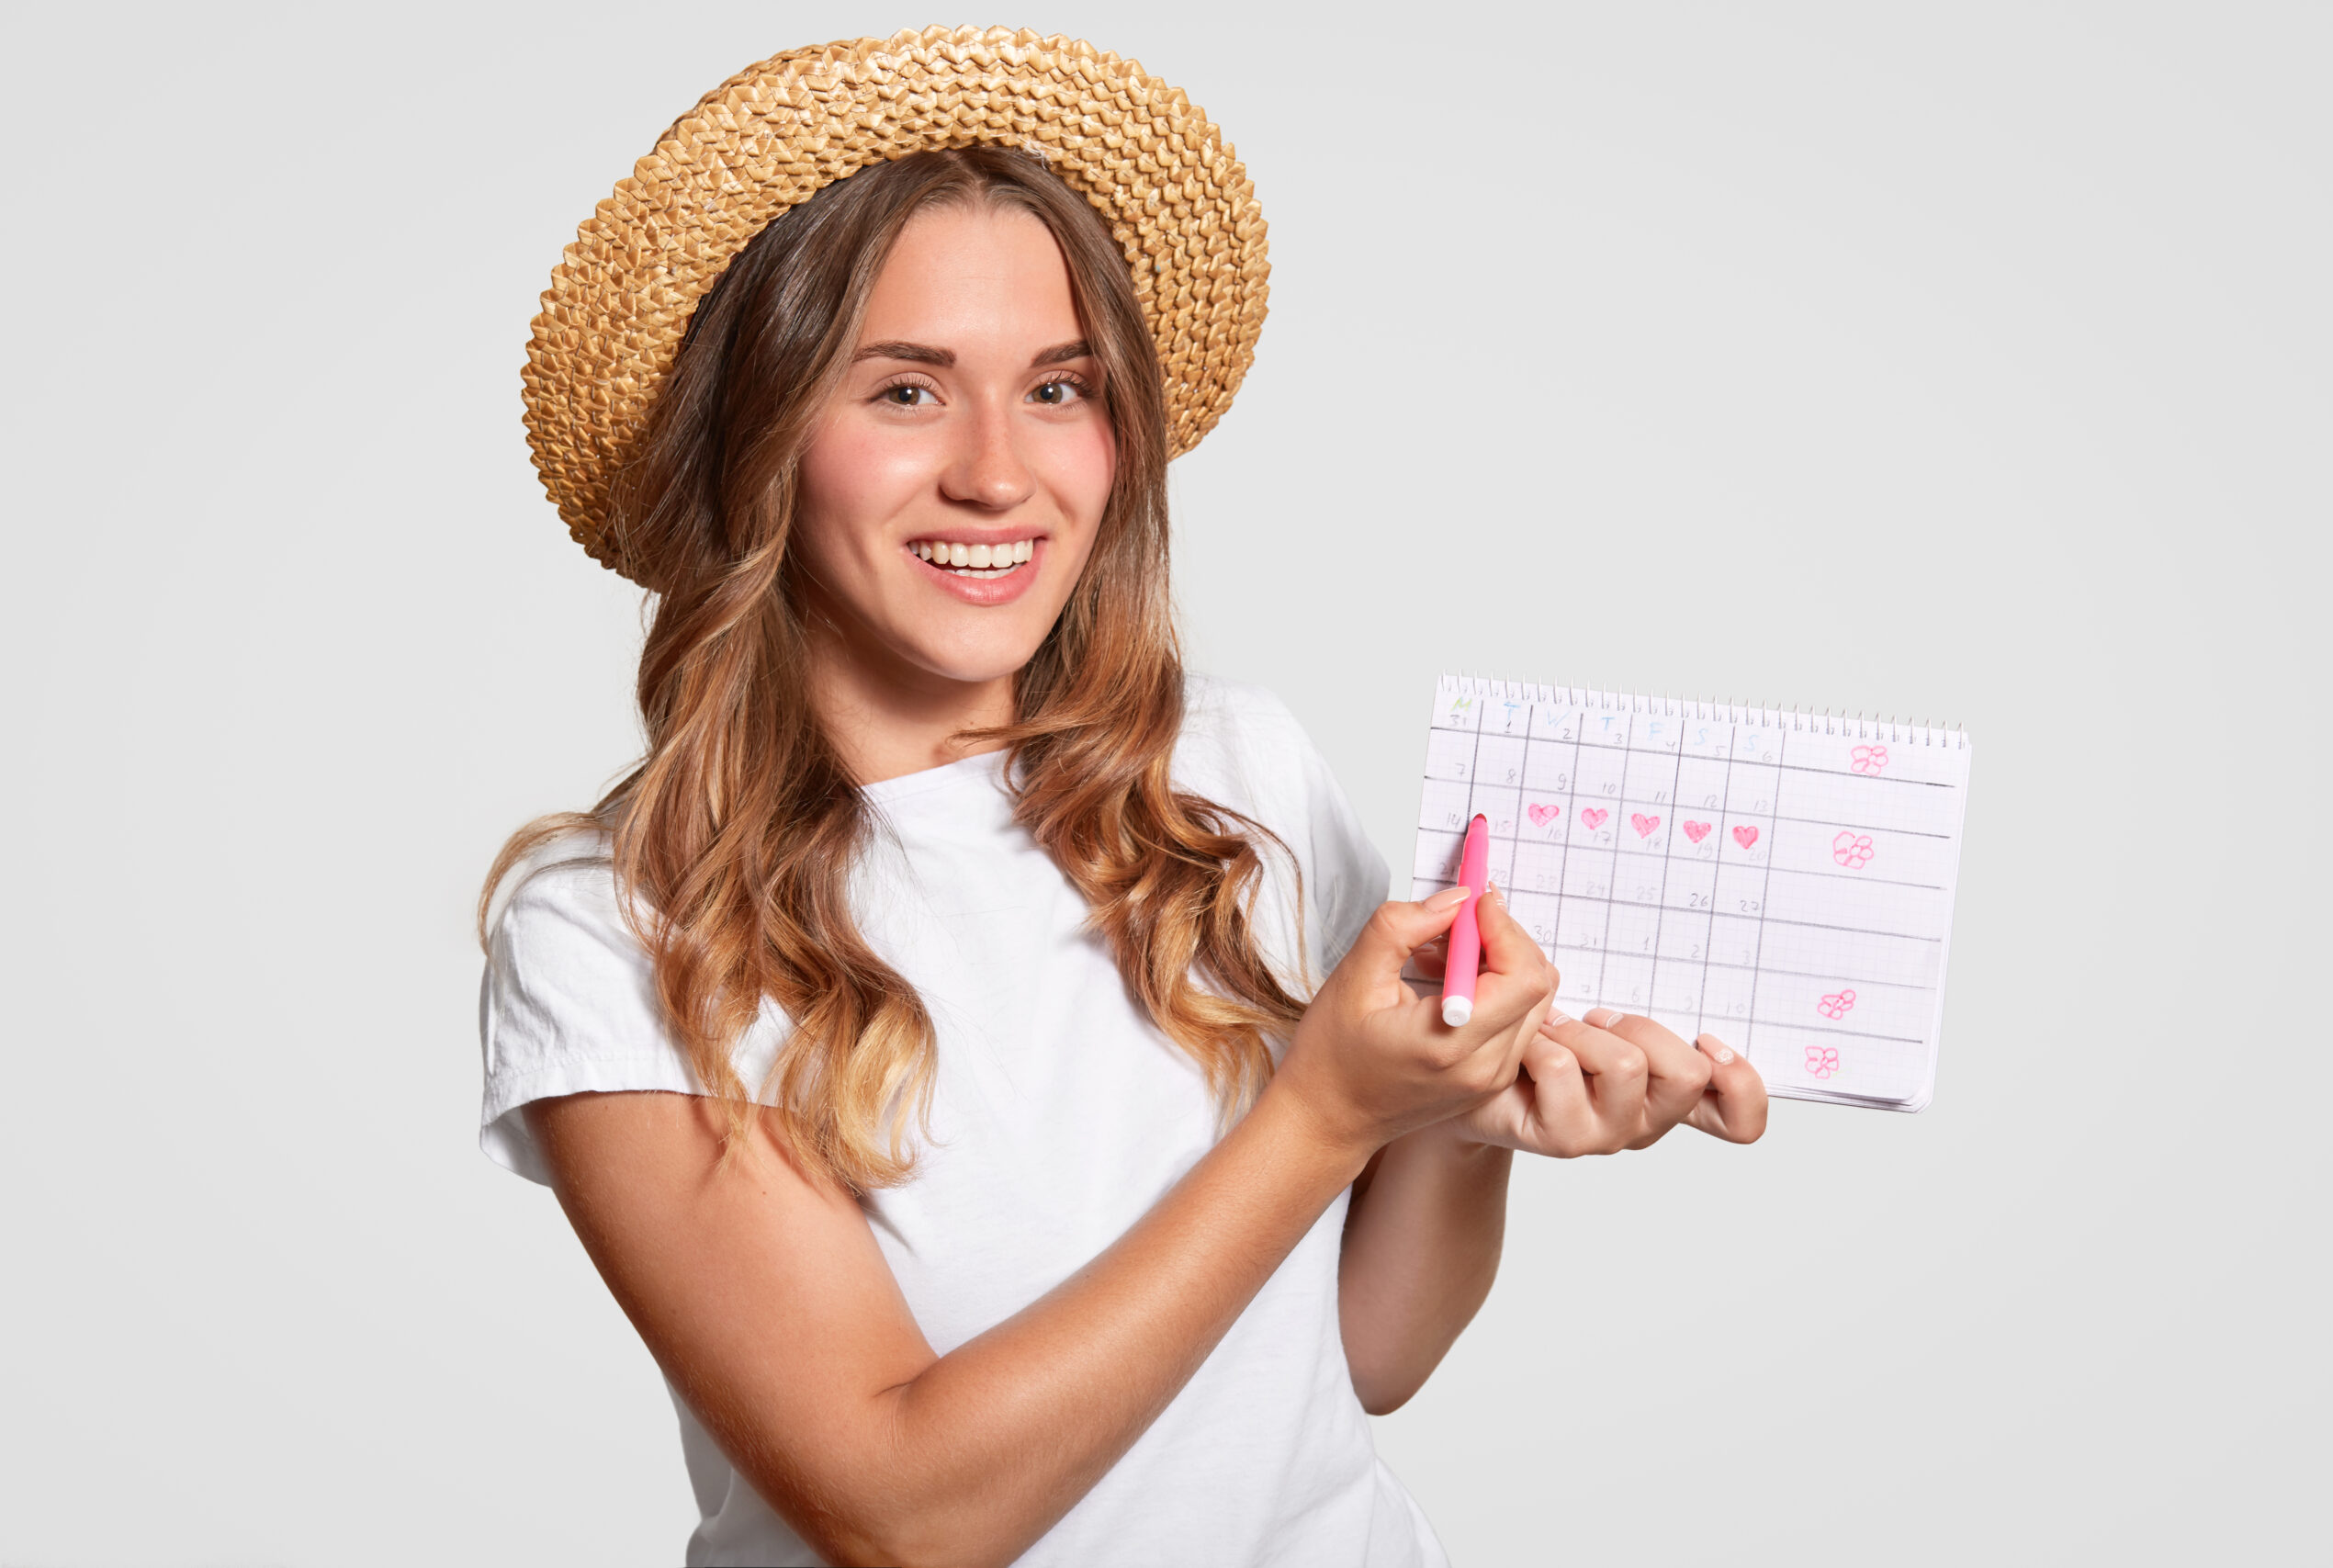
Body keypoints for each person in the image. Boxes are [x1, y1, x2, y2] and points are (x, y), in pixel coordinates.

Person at [478, 28, 1768, 1568]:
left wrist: (1456, 1119)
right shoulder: (619, 929)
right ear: (759, 444)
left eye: (1059, 388)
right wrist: (1330, 1111)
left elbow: (1358, 1360)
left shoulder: (1238, 774)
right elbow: (902, 1517)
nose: (997, 473)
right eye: (901, 389)